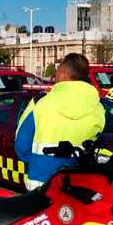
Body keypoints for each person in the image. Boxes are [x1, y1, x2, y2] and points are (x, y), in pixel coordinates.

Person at [15, 53, 105, 191]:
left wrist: (38, 162)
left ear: (63, 73)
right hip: (80, 184)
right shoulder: (98, 107)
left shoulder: (40, 103)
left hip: (42, 183)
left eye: (57, 71)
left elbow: (21, 146)